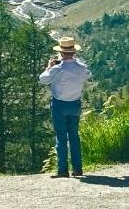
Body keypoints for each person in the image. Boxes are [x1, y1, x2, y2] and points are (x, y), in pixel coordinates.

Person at [38, 36, 91, 178]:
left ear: (61, 53)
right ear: (74, 52)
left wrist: (49, 67)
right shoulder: (81, 68)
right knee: (74, 136)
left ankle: (62, 170)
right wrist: (77, 62)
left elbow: (42, 80)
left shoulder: (57, 68)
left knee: (61, 136)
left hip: (59, 104)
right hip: (75, 103)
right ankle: (78, 169)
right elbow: (88, 75)